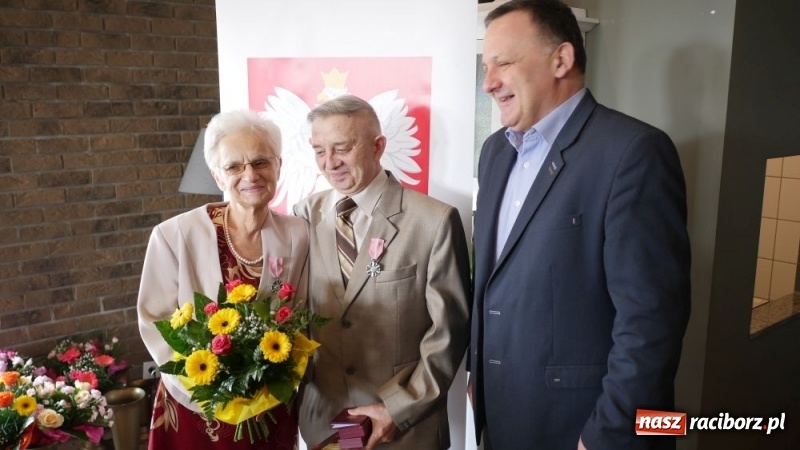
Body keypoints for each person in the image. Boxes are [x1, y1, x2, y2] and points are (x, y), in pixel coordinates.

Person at [470, 1, 691, 449]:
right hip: (503, 418)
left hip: (583, 430)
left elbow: (650, 324)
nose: (489, 82)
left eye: (503, 63)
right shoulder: (495, 151)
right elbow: (495, 282)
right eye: (485, 66)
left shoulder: (634, 153)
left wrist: (605, 436)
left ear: (562, 60)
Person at [293, 94, 471, 450]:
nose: (330, 163)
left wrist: (397, 408)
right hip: (323, 427)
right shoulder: (303, 216)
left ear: (378, 146)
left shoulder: (433, 221)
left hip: (405, 430)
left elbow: (448, 335)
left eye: (342, 148)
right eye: (319, 151)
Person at [137, 110, 308, 449]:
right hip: (196, 406)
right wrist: (212, 387)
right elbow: (155, 320)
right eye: (234, 166)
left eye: (261, 162)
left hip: (269, 404)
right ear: (217, 175)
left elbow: (301, 312)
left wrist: (271, 379)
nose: (251, 175)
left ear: (278, 165)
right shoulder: (173, 236)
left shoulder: (298, 234)